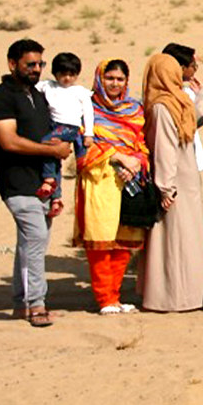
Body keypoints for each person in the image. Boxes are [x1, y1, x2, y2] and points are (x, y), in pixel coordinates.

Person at [0, 39, 72, 327]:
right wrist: (52, 151)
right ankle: (36, 304)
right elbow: (9, 141)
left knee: (32, 242)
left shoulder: (38, 95)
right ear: (13, 64)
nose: (36, 69)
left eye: (40, 64)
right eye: (30, 64)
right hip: (16, 181)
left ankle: (21, 304)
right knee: (35, 239)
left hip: (43, 182)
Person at [72, 59, 149, 315]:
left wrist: (136, 163)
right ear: (99, 79)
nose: (114, 84)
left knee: (124, 243)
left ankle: (115, 297)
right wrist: (118, 157)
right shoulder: (86, 107)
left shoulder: (134, 109)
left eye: (120, 79)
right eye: (110, 78)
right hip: (99, 180)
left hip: (129, 181)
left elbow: (142, 143)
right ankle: (104, 298)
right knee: (101, 241)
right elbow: (83, 144)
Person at [140, 54, 203, 312]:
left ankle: (175, 297)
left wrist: (165, 187)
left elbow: (165, 149)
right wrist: (202, 96)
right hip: (183, 180)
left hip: (175, 180)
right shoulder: (175, 104)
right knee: (183, 238)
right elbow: (197, 118)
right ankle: (186, 296)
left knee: (175, 240)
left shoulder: (164, 105)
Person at [34, 52, 94, 215]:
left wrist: (89, 134)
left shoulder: (80, 92)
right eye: (63, 74)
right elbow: (28, 87)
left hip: (69, 128)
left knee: (47, 145)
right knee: (55, 159)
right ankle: (56, 198)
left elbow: (88, 113)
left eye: (71, 74)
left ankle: (48, 179)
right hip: (53, 125)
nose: (67, 78)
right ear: (55, 73)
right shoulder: (48, 85)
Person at [163, 43, 203, 173]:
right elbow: (198, 117)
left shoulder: (189, 91)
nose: (195, 69)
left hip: (194, 161)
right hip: (176, 163)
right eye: (193, 66)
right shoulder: (164, 96)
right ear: (181, 68)